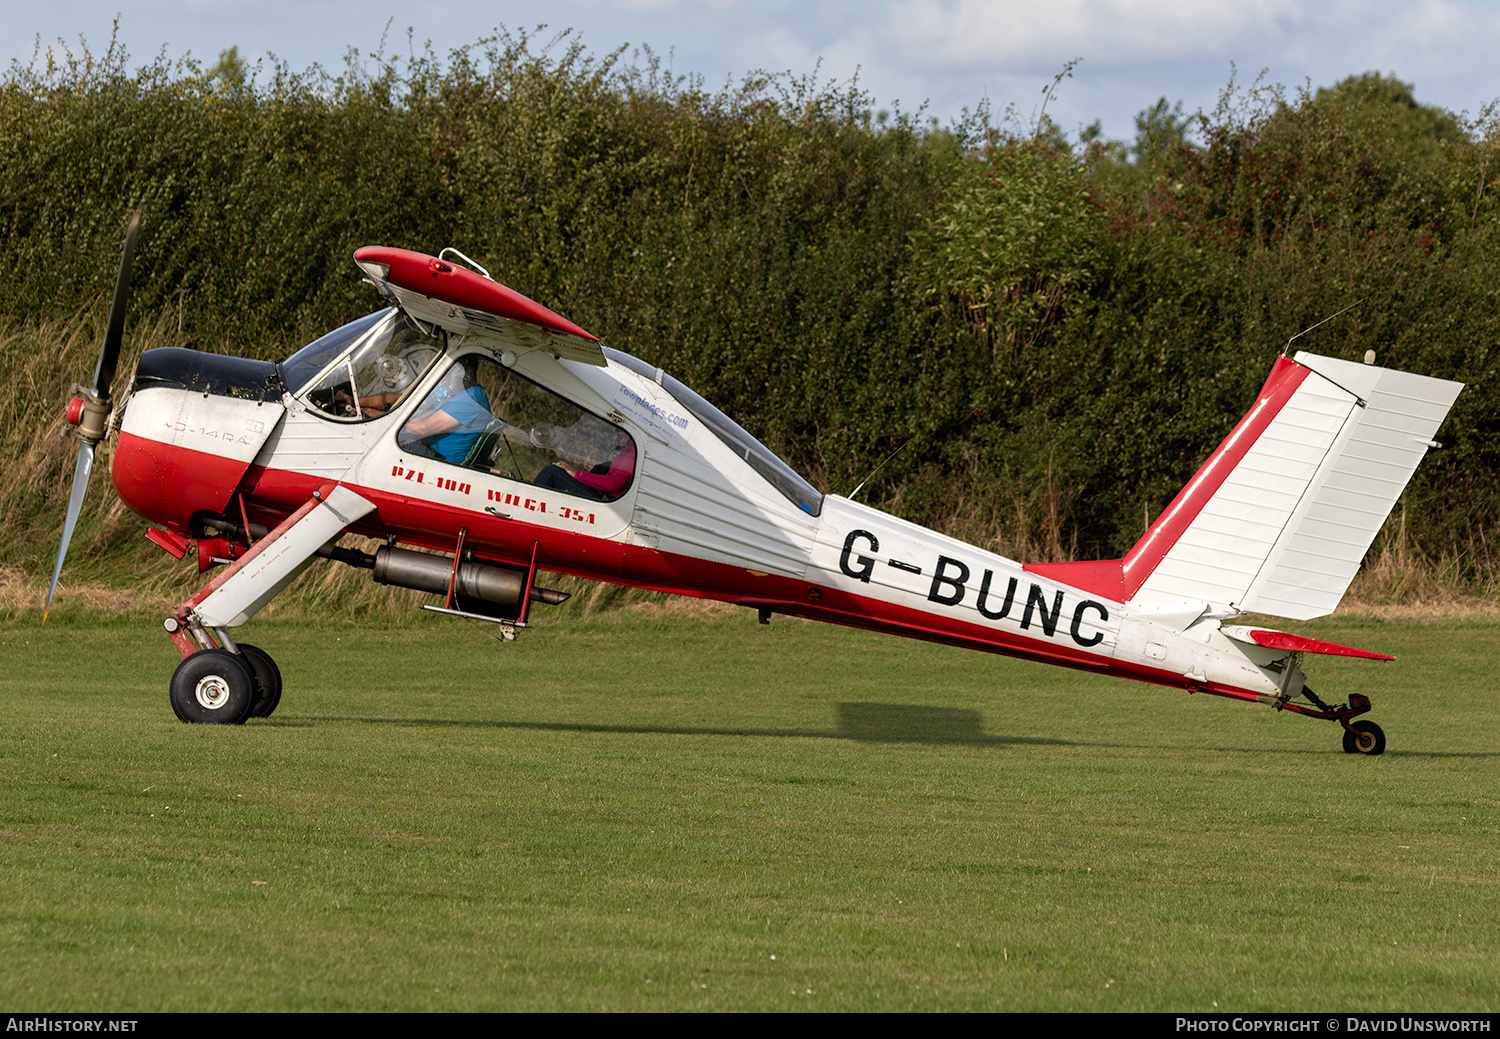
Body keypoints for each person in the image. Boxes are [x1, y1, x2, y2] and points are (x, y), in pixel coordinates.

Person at [397, 359, 493, 463]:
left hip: (442, 461)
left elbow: (422, 428)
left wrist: (388, 421)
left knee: (391, 441)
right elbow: (413, 399)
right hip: (430, 449)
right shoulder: (455, 391)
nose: (443, 380)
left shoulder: (471, 398)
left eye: (449, 375)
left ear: (463, 376)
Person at [533, 426, 635, 500]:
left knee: (551, 472)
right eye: (619, 437)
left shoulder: (632, 453)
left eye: (622, 437)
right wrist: (585, 475)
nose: (621, 442)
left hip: (607, 500)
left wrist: (577, 474)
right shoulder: (629, 450)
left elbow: (613, 483)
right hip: (604, 494)